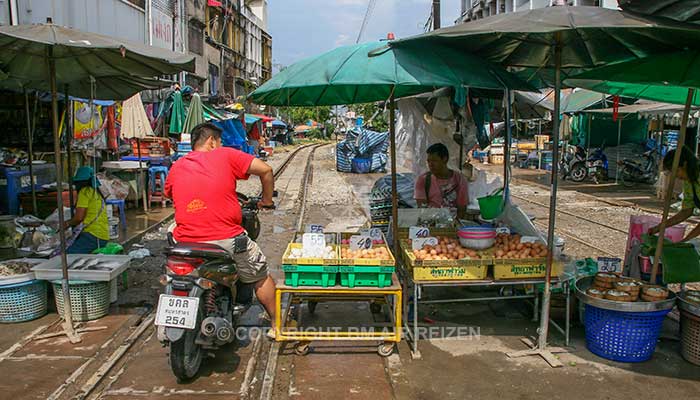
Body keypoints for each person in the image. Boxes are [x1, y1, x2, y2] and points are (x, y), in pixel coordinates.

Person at [164, 122, 277, 332]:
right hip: (225, 239)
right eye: (220, 140)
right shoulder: (225, 154)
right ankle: (277, 324)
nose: (221, 143)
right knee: (259, 274)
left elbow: (169, 194)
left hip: (185, 241)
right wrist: (267, 201)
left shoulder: (177, 165)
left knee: (172, 228)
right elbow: (266, 170)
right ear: (212, 141)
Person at [649, 146, 700, 241]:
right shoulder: (689, 182)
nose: (676, 176)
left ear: (684, 164)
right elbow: (686, 211)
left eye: (676, 171)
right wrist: (658, 228)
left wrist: (686, 240)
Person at [414, 143, 469, 219]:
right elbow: (422, 208)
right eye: (428, 161)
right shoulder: (423, 180)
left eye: (434, 160)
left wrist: (453, 226)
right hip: (432, 224)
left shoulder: (459, 179)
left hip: (452, 224)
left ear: (444, 159)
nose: (430, 164)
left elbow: (462, 208)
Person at [64, 166, 109, 254]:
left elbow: (79, 218)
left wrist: (67, 223)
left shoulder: (85, 192)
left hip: (93, 236)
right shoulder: (96, 192)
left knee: (67, 255)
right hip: (103, 235)